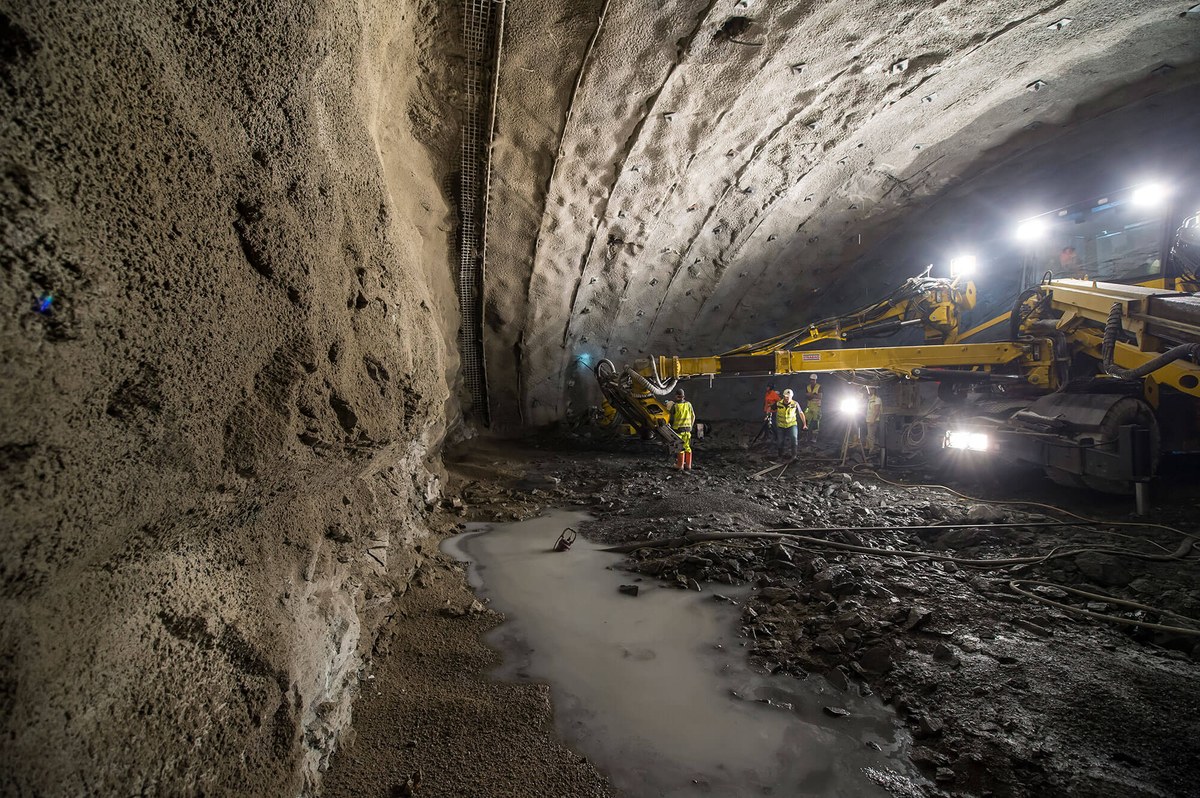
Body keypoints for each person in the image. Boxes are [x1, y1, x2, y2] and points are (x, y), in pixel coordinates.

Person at [774, 388, 807, 460]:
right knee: (780, 441)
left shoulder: (795, 404)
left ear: (791, 397)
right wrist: (768, 414)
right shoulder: (778, 403)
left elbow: (801, 413)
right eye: (785, 397)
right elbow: (771, 408)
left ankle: (794, 456)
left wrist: (804, 424)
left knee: (794, 438)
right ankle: (780, 456)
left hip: (791, 425)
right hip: (781, 425)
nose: (786, 398)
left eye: (788, 397)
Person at [670, 388, 695, 470]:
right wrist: (690, 426)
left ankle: (679, 466)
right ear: (683, 396)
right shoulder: (688, 404)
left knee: (679, 448)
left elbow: (670, 418)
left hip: (678, 431)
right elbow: (693, 416)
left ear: (677, 396)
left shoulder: (675, 406)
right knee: (687, 447)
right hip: (688, 430)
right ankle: (688, 466)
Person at [864, 386, 883, 454]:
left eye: (870, 389)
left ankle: (872, 450)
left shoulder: (877, 399)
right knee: (869, 435)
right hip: (868, 420)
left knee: (871, 436)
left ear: (874, 390)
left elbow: (877, 410)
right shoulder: (870, 399)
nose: (869, 391)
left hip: (873, 420)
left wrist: (873, 419)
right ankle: (868, 448)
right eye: (868, 389)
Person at [804, 374, 822, 443]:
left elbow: (820, 396)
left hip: (817, 407)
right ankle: (805, 437)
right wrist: (814, 394)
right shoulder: (808, 387)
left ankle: (814, 438)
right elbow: (806, 395)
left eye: (813, 380)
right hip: (809, 406)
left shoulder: (819, 387)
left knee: (816, 422)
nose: (812, 381)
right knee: (805, 421)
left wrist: (811, 395)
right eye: (811, 380)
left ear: (815, 380)